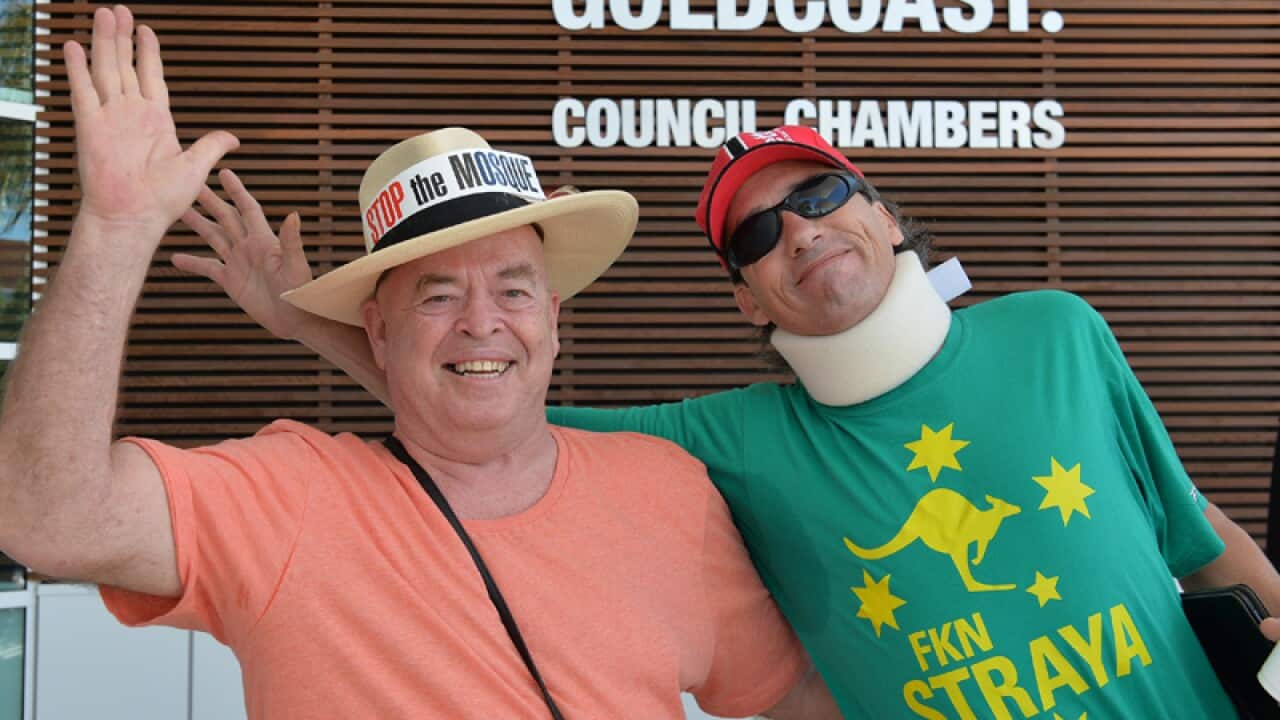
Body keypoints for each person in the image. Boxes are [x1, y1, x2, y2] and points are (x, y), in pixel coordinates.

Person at [212, 115, 1280, 718]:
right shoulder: (735, 442)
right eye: (757, 235)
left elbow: (1194, 536)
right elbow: (485, 388)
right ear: (745, 298)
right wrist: (306, 324)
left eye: (816, 197)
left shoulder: (1054, 331)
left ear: (874, 209)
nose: (799, 234)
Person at [0, 7, 847, 719]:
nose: (484, 324)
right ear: (378, 329)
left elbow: (793, 698)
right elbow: (46, 520)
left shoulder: (668, 492)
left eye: (514, 291)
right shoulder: (288, 496)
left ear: (551, 320)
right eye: (438, 296)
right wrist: (114, 231)